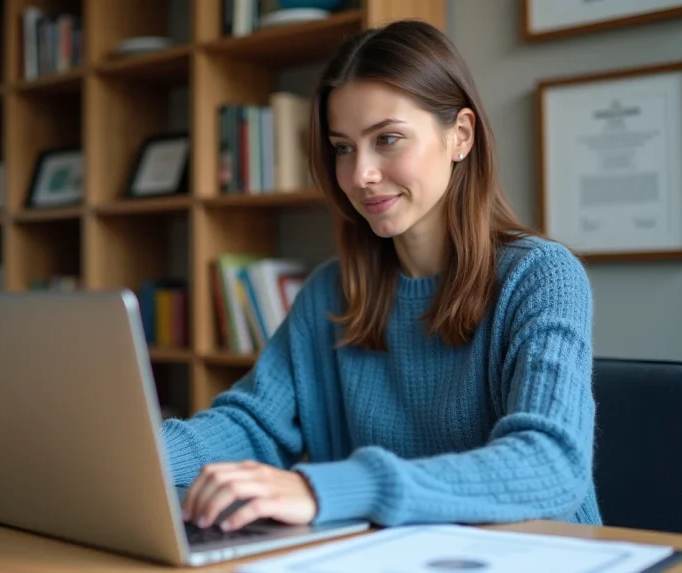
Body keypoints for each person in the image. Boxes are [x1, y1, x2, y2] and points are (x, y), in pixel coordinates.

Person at [161, 19, 602, 533]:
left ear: (459, 136)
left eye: (387, 139)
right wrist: (136, 456)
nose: (359, 174)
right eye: (343, 147)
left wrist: (328, 488)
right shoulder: (331, 291)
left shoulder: (542, 277)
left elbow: (549, 464)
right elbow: (251, 423)